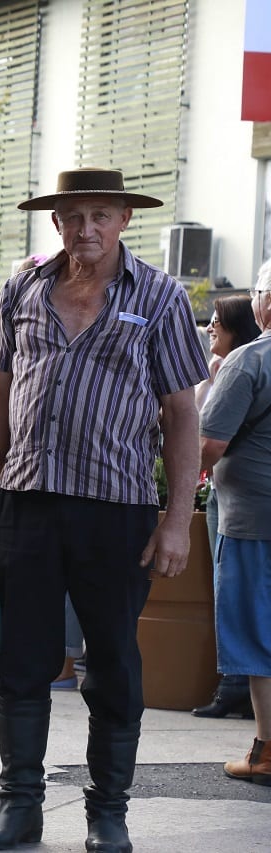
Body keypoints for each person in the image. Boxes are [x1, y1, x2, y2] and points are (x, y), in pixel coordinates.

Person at [0, 168, 207, 852]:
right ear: (56, 223)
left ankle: (109, 813)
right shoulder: (23, 291)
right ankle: (20, 806)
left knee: (114, 665)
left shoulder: (159, 296)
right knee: (23, 659)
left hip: (119, 510)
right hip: (30, 503)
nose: (87, 228)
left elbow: (182, 414)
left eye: (101, 214)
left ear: (125, 219)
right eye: (74, 216)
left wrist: (176, 518)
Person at [199, 258, 271, 786]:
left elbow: (208, 444)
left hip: (254, 522)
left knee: (256, 636)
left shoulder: (251, 360)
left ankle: (266, 751)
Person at [193, 293, 260, 719]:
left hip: (240, 502)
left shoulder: (244, 364)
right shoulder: (223, 366)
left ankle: (235, 685)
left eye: (217, 320)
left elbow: (210, 441)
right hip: (227, 492)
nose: (210, 327)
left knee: (236, 593)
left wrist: (184, 482)